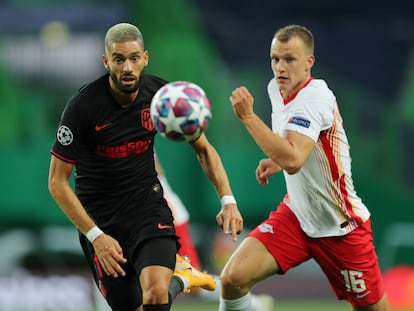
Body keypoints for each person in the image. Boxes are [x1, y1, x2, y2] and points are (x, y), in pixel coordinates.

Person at [48, 22, 243, 311]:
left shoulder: (163, 98)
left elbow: (204, 150)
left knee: (155, 294)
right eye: (119, 59)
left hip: (147, 207)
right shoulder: (82, 108)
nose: (127, 67)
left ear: (145, 58)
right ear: (106, 61)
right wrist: (96, 236)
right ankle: (182, 278)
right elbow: (57, 183)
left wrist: (228, 200)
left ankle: (172, 280)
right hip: (102, 220)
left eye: (134, 58)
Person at [217, 24, 390, 311]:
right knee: (233, 279)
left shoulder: (315, 97)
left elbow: (295, 161)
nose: (280, 68)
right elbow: (298, 145)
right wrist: (276, 159)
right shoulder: (277, 89)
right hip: (297, 216)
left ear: (309, 62)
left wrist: (248, 117)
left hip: (341, 227)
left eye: (289, 59)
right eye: (275, 59)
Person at [154, 154, 274, 311]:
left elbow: (156, 172)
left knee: (191, 281)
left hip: (164, 218)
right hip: (130, 221)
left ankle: (254, 305)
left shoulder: (134, 135)